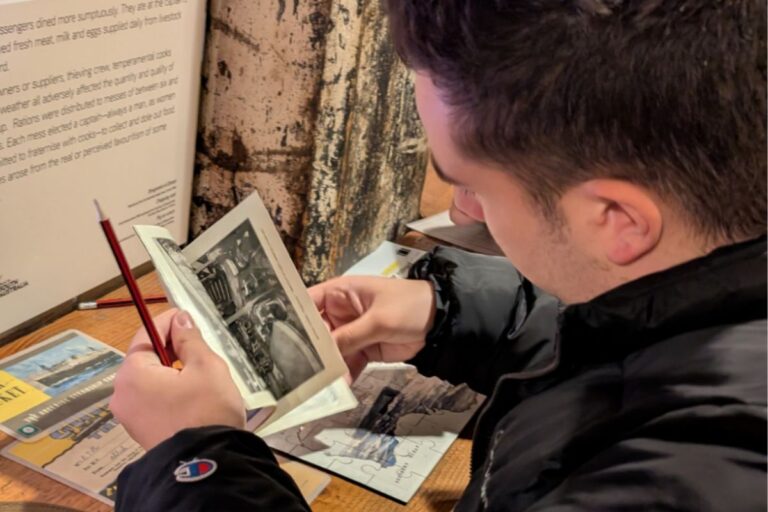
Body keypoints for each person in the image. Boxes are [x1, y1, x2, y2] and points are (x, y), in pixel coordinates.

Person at [110, 1, 767, 510]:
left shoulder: (679, 484)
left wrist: (195, 461)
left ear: (615, 220)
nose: (460, 213)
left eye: (472, 183)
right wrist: (449, 311)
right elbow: (643, 338)